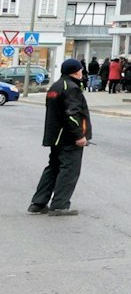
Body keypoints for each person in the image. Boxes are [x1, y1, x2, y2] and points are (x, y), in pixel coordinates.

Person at [30, 58, 91, 216]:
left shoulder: (56, 85)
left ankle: (38, 203)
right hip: (68, 138)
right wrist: (79, 135)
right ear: (76, 71)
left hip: (55, 136)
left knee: (53, 168)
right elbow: (71, 114)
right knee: (69, 170)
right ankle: (60, 205)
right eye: (81, 70)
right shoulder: (71, 88)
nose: (82, 72)